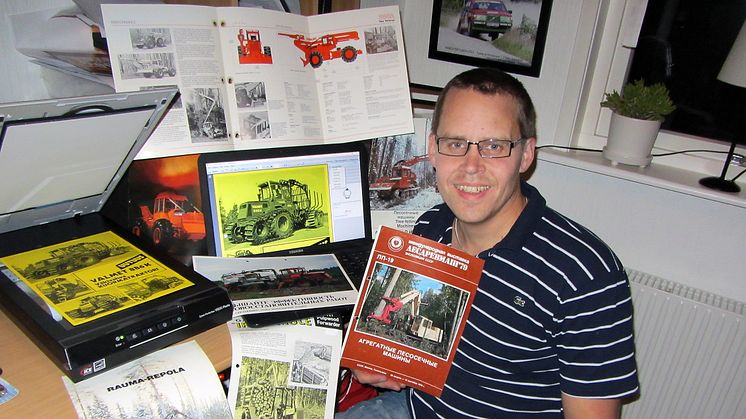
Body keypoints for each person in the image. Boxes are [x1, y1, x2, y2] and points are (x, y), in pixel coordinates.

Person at [337, 67, 639, 418]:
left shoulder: (586, 275)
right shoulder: (429, 226)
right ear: (433, 150)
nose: (471, 166)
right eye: (455, 144)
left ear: (526, 154)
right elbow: (400, 340)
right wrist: (375, 362)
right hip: (415, 409)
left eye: (494, 146)